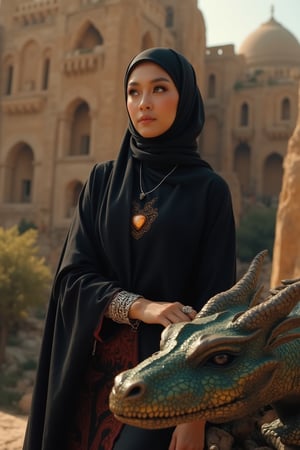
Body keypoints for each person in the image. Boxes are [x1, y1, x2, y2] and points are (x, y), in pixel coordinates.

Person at [23, 47, 236, 450]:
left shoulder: (210, 192)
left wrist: (195, 415)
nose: (144, 103)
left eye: (159, 89)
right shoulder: (103, 180)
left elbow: (216, 310)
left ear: (185, 97)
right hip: (86, 371)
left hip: (164, 379)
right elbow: (72, 277)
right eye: (134, 92)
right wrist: (141, 306)